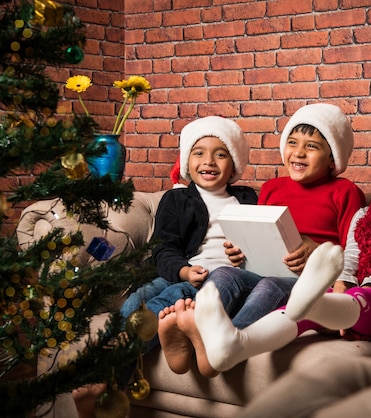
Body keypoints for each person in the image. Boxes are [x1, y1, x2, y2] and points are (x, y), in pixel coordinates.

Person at [184, 130, 371, 373]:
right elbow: (350, 256)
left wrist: (358, 289)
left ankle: (317, 300)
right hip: (351, 298)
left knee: (337, 301)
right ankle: (234, 346)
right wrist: (342, 283)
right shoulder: (364, 214)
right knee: (303, 312)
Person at [157, 103, 366, 376]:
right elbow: (254, 232)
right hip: (260, 270)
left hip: (307, 284)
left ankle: (220, 346)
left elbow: (354, 250)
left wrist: (316, 250)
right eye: (292, 142)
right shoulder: (271, 188)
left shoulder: (345, 191)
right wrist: (238, 250)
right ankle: (195, 331)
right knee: (224, 274)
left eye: (312, 147)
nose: (299, 152)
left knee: (269, 285)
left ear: (332, 158)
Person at [72, 115, 256, 418]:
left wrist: (243, 253)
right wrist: (183, 270)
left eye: (220, 154)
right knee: (139, 297)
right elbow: (163, 248)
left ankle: (104, 377)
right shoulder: (177, 199)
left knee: (162, 302)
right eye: (198, 153)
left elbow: (260, 246)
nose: (208, 161)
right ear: (187, 161)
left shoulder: (249, 200)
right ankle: (108, 364)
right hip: (181, 270)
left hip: (218, 279)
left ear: (234, 163)